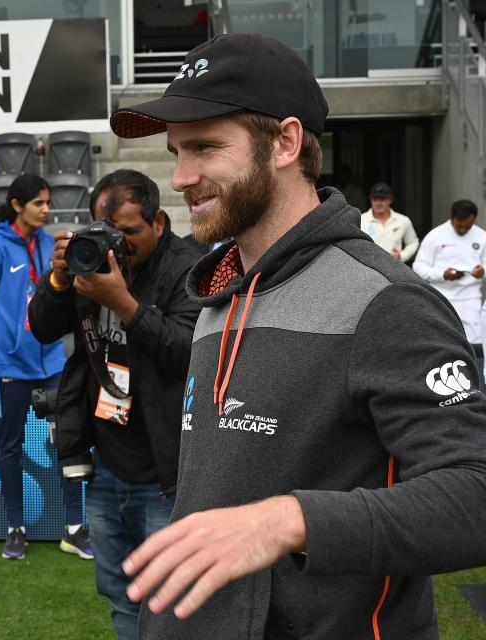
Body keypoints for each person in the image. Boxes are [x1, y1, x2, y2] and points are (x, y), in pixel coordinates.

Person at [108, 33, 486, 639]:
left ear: (284, 143)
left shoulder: (386, 302)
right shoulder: (217, 294)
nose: (180, 178)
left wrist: (288, 521)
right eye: (176, 151)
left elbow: (475, 494)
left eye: (204, 147)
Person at [27, 169, 201, 639]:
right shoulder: (88, 265)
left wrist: (125, 304)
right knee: (119, 594)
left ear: (159, 222)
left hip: (168, 473)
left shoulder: (189, 267)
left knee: (173, 600)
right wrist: (60, 279)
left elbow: (189, 352)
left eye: (130, 232)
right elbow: (42, 328)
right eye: (106, 232)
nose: (118, 244)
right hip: (106, 465)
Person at [0, 174, 91, 561]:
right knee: (10, 447)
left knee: (67, 441)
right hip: (10, 366)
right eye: (38, 203)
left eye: (48, 203)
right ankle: (15, 528)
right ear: (18, 206)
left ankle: (73, 528)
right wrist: (1, 347)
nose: (46, 209)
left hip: (52, 361)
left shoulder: (49, 244)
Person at [413, 199, 486, 345]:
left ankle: (475, 369)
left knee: (474, 344)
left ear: (474, 220)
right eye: (459, 226)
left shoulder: (482, 236)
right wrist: (443, 275)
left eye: (468, 227)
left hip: (470, 299)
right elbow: (418, 267)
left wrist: (482, 271)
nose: (463, 230)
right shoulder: (435, 236)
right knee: (441, 341)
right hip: (441, 298)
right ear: (451, 217)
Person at [360, 182, 419, 262]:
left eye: (382, 199)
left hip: (394, 268)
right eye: (375, 199)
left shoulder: (403, 220)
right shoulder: (361, 219)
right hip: (368, 268)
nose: (378, 203)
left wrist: (401, 256)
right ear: (370, 200)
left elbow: (413, 242)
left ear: (390, 200)